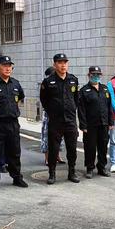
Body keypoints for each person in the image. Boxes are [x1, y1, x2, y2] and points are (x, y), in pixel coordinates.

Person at [0, 55, 28, 191]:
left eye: (10, 66)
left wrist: (11, 111)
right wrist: (0, 112)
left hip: (13, 123)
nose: (8, 68)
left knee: (14, 151)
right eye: (5, 65)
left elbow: (20, 99)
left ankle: (16, 177)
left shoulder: (16, 83)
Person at [40, 53, 80, 185]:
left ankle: (72, 172)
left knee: (72, 148)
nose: (63, 65)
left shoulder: (73, 80)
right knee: (53, 149)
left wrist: (72, 109)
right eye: (60, 62)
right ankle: (52, 174)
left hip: (70, 121)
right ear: (54, 65)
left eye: (65, 62)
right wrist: (53, 111)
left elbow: (76, 98)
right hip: (55, 121)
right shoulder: (48, 81)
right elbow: (44, 100)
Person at [78, 66, 114, 178]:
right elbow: (81, 110)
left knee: (103, 147)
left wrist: (111, 122)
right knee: (90, 147)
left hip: (104, 124)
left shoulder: (105, 89)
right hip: (90, 125)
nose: (96, 77)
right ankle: (89, 168)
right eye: (93, 75)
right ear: (89, 76)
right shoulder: (84, 91)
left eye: (98, 75)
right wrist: (83, 125)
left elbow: (109, 107)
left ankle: (102, 167)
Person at [40, 67, 65, 166]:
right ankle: (47, 158)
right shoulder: (46, 84)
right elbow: (43, 100)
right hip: (49, 114)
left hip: (61, 115)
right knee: (46, 136)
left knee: (59, 137)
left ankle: (57, 156)